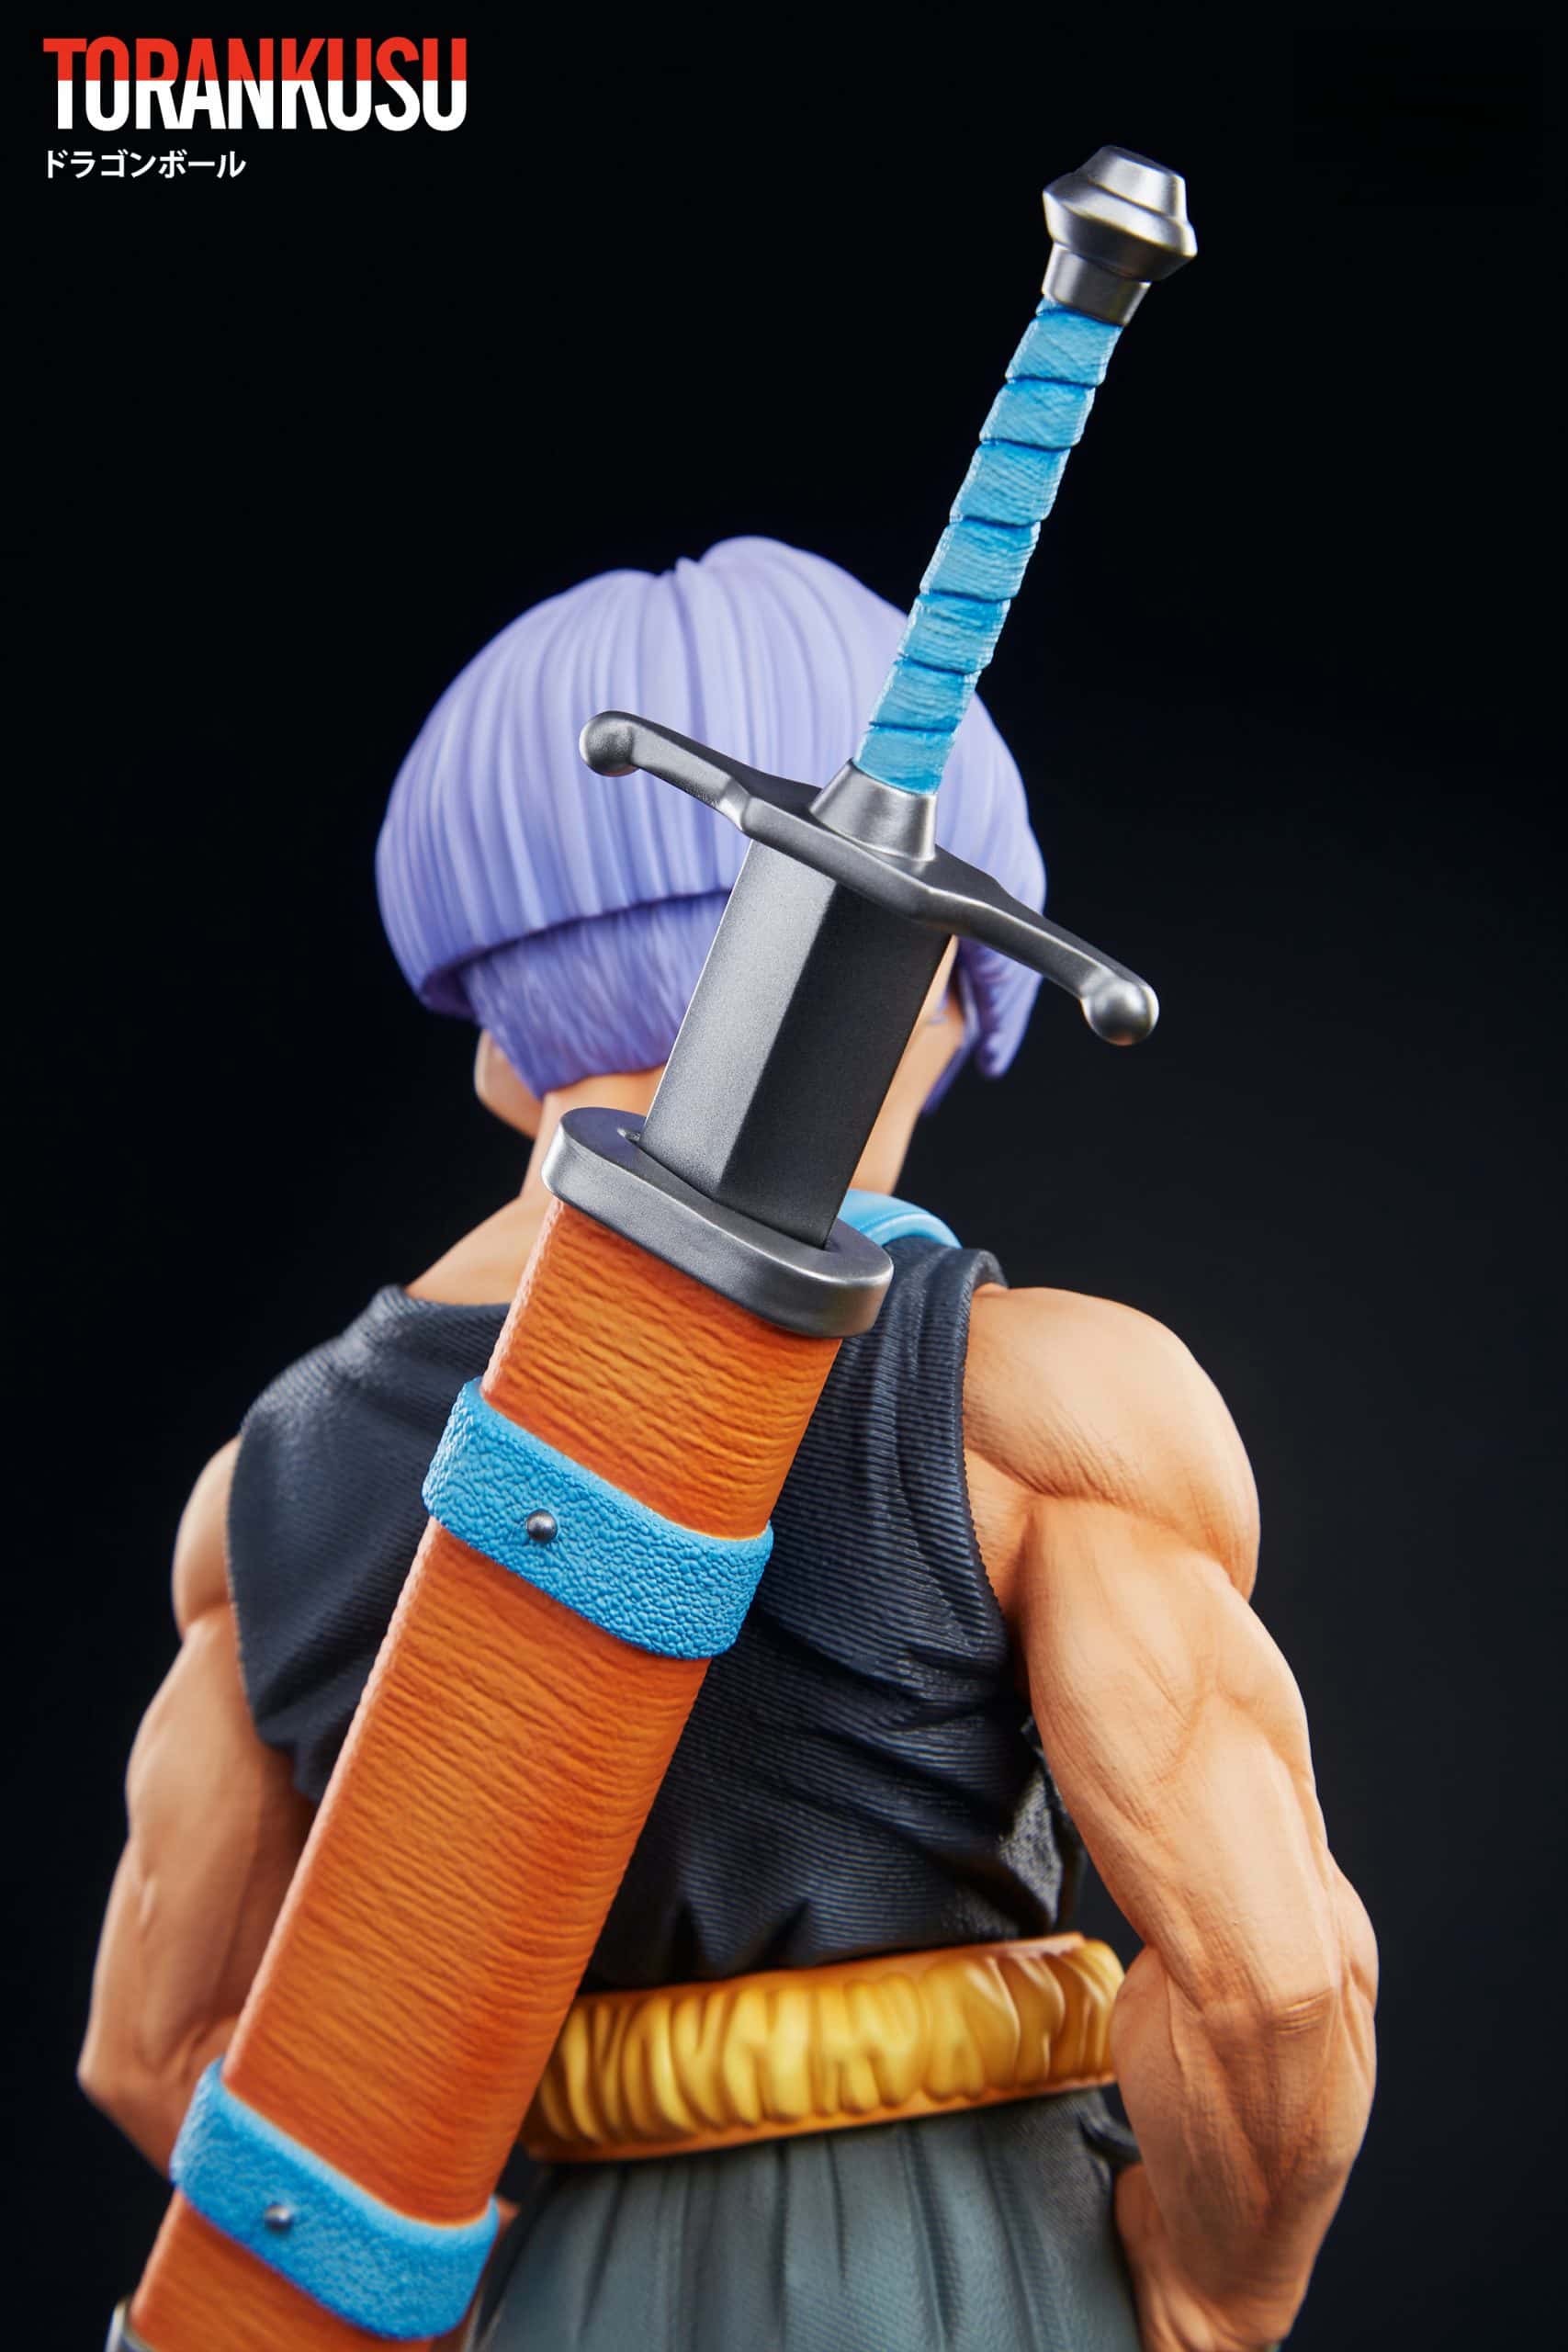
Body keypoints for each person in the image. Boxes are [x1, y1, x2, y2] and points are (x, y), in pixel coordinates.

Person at [81, 538, 1375, 2352]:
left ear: (493, 1037)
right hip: (964, 2267)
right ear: (944, 985)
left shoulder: (264, 1487)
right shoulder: (1039, 1405)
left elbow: (158, 2047)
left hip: (556, 2275)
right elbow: (1273, 1986)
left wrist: (487, 2296)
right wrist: (1208, 2290)